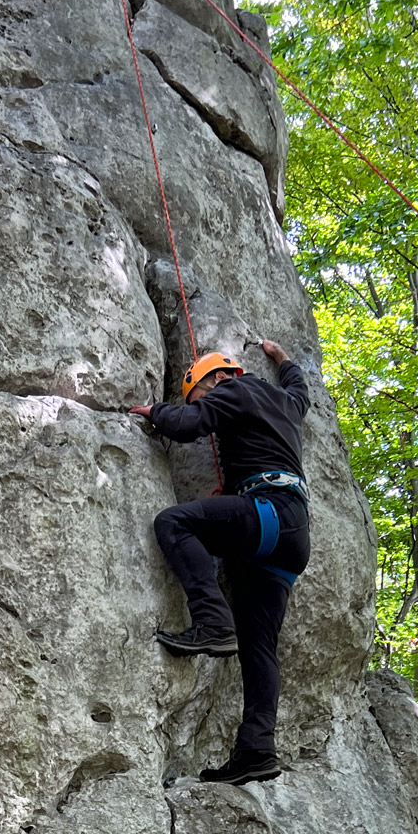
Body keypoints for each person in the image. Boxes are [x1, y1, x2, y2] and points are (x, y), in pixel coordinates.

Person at [135, 337, 310, 786]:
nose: (210, 402)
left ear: (217, 378)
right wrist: (282, 358)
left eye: (205, 392)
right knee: (258, 648)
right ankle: (256, 750)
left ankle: (212, 622)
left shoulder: (234, 388)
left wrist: (155, 412)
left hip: (266, 510)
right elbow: (299, 386)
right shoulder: (286, 403)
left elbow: (191, 424)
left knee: (174, 524)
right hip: (292, 537)